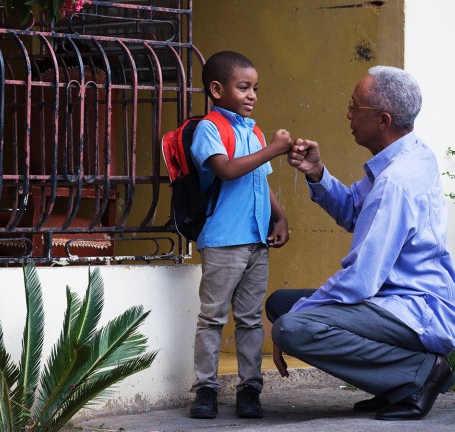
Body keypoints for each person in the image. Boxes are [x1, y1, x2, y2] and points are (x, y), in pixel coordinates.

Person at [268, 65, 455, 421]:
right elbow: (352, 211)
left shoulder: (396, 182)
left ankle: (420, 375)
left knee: (291, 325)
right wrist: (317, 173)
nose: (347, 113)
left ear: (383, 119)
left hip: (418, 310)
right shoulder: (412, 153)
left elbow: (361, 278)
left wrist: (300, 316)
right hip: (397, 297)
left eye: (354, 106)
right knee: (281, 304)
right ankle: (393, 384)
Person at [188, 50, 291, 420]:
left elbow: (260, 182)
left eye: (255, 89)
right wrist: (274, 149)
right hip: (223, 240)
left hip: (255, 243)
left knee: (250, 319)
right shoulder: (210, 129)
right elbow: (228, 170)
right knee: (212, 318)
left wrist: (279, 218)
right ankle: (206, 390)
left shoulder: (255, 131)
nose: (252, 95)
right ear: (217, 89)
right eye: (243, 87)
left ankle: (250, 388)